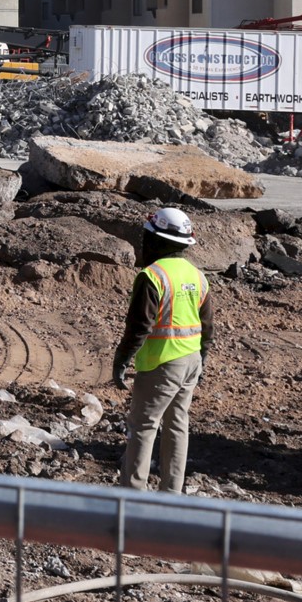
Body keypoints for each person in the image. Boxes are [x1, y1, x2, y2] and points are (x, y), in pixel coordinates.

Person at [112, 208, 212, 493]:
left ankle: (132, 495)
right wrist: (201, 361)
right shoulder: (197, 276)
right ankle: (171, 494)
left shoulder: (152, 276)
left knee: (143, 426)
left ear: (158, 240)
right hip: (190, 360)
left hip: (163, 362)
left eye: (148, 236)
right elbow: (208, 326)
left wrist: (121, 360)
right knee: (177, 425)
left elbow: (139, 326)